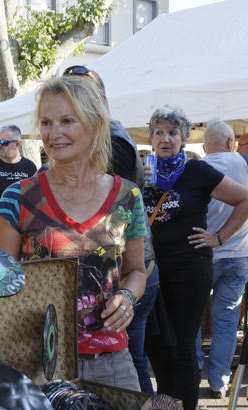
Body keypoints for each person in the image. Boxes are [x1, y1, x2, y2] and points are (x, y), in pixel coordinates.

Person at [0, 75, 147, 390]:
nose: (54, 133)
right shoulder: (18, 197)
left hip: (111, 362)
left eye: (67, 121)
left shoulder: (127, 197)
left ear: (93, 126)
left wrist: (127, 297)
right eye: (47, 123)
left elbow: (137, 271)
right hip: (39, 364)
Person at [143, 106, 248, 410]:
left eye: (172, 133)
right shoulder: (145, 173)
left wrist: (219, 237)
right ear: (151, 137)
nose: (165, 139)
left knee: (182, 346)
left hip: (189, 268)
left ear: (184, 138)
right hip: (152, 271)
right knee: (157, 345)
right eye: (159, 132)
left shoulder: (197, 171)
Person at [60, 64, 159, 393]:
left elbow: (130, 265)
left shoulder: (115, 150)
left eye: (81, 98)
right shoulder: (25, 197)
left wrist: (128, 295)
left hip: (112, 293)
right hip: (63, 340)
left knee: (129, 368)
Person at [196, 120, 248, 397]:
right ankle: (219, 381)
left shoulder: (198, 167)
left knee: (193, 316)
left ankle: (193, 368)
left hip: (202, 253)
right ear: (231, 141)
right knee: (227, 319)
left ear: (206, 146)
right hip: (238, 254)